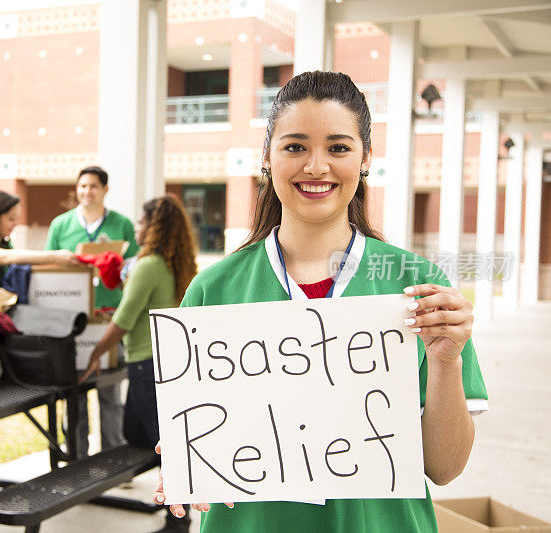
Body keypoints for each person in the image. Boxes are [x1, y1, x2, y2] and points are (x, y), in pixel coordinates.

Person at [152, 71, 489, 532]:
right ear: (266, 158)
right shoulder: (212, 292)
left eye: (338, 147)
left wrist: (447, 363)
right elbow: (199, 441)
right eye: (294, 147)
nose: (315, 166)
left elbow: (445, 467)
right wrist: (183, 461)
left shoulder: (417, 285)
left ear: (366, 159)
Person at [80, 194, 198, 533]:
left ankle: (178, 520)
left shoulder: (148, 266)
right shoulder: (174, 263)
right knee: (136, 435)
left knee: (165, 444)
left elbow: (124, 319)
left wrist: (94, 352)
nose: (136, 226)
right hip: (167, 362)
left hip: (147, 366)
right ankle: (166, 497)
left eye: (142, 221)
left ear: (155, 226)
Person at [0, 188, 79, 499]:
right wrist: (55, 256)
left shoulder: (6, 242)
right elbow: (6, 259)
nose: (14, 224)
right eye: (10, 218)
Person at [46, 165, 139, 456]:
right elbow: (49, 268)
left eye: (93, 186)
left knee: (110, 392)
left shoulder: (121, 224)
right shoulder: (60, 225)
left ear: (105, 190)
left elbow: (133, 268)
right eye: (82, 186)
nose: (87, 192)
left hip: (108, 318)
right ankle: (76, 458)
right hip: (72, 321)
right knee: (74, 393)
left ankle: (113, 457)